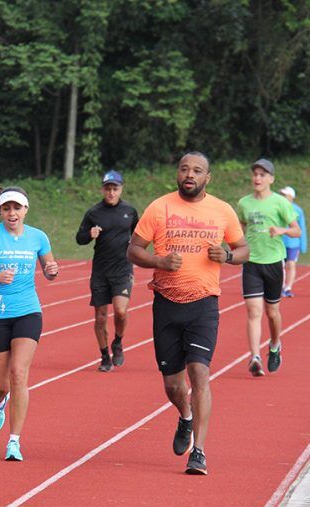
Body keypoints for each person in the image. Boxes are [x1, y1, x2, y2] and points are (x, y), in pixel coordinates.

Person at [127, 151, 248, 475]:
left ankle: (199, 451)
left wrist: (227, 254)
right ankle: (186, 416)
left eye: (197, 170)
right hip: (166, 304)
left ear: (208, 177)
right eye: (184, 169)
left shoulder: (222, 210)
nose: (189, 174)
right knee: (173, 385)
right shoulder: (159, 207)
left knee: (200, 373)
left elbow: (243, 249)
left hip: (204, 304)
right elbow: (134, 249)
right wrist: (158, 262)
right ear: (177, 174)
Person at [0, 184, 59, 461]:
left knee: (19, 373)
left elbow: (49, 270)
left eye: (17, 207)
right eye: (6, 208)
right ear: (1, 211)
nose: (12, 213)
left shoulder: (38, 238)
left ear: (25, 210)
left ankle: (14, 441)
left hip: (28, 311)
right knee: (1, 383)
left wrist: (52, 271)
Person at [237, 159, 301, 377]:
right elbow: (242, 226)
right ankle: (254, 356)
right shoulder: (244, 203)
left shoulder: (280, 203)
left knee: (272, 312)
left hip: (274, 263)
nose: (257, 178)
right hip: (252, 264)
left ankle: (274, 346)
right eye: (255, 174)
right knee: (253, 311)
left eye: (263, 175)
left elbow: (297, 231)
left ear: (271, 179)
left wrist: (282, 231)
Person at [76, 170, 139, 372]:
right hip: (100, 271)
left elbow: (140, 235)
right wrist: (89, 234)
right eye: (108, 188)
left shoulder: (130, 211)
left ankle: (118, 343)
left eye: (115, 188)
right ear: (102, 189)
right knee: (101, 316)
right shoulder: (94, 213)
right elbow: (79, 238)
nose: (111, 192)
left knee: (120, 312)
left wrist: (136, 248)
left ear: (121, 189)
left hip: (122, 269)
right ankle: (104, 356)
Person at [279, 186, 307, 298]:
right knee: (279, 266)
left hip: (293, 244)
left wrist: (303, 245)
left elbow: (302, 228)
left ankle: (288, 288)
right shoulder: (277, 208)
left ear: (291, 197)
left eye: (284, 195)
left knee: (291, 264)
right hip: (279, 242)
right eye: (281, 195)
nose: (282, 197)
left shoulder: (298, 210)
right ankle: (280, 287)